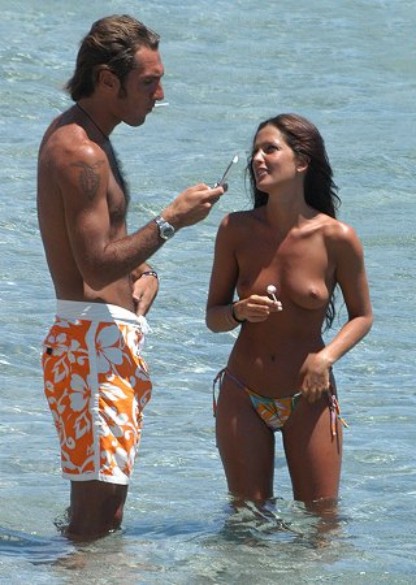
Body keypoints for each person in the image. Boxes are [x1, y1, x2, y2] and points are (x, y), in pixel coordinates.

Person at [37, 14, 226, 540]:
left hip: (102, 340)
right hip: (89, 345)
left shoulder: (91, 140)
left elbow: (100, 247)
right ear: (107, 80)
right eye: (148, 82)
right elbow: (95, 264)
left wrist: (143, 275)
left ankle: (73, 571)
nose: (159, 96)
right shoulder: (79, 151)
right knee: (96, 519)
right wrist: (171, 220)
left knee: (106, 514)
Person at [206, 113, 373, 516]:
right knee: (247, 522)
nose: (257, 159)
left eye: (270, 149)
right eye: (255, 151)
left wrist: (325, 358)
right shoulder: (235, 229)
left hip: (308, 395)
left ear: (302, 162)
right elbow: (213, 317)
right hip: (243, 392)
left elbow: (362, 316)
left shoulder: (336, 238)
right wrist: (239, 312)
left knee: (323, 522)